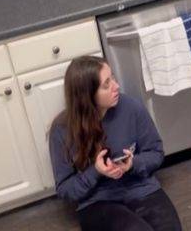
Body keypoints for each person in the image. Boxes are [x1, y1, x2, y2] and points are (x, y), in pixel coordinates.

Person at [49, 55, 182, 231]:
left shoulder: (132, 107)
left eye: (113, 77)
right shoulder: (61, 130)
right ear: (87, 95)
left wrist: (133, 164)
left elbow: (156, 153)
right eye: (106, 84)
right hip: (97, 202)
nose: (116, 86)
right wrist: (96, 171)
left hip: (141, 188)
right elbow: (65, 189)